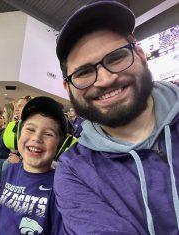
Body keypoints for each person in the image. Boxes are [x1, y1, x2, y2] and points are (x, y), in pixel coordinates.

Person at [54, 1, 179, 234]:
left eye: (116, 58)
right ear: (67, 87)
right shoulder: (74, 171)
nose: (105, 79)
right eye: (83, 72)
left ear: (140, 54)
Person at [0, 96, 71, 234]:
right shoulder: (9, 170)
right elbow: (0, 216)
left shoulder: (61, 186)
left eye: (48, 134)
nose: (37, 138)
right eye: (30, 129)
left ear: (60, 146)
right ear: (18, 134)